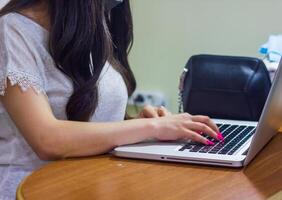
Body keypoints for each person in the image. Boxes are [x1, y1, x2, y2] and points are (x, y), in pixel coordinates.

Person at [0, 0, 224, 199]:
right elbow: (47, 140)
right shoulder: (11, 30)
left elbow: (89, 124)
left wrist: (137, 126)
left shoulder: (88, 25)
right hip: (33, 189)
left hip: (95, 183)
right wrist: (150, 127)